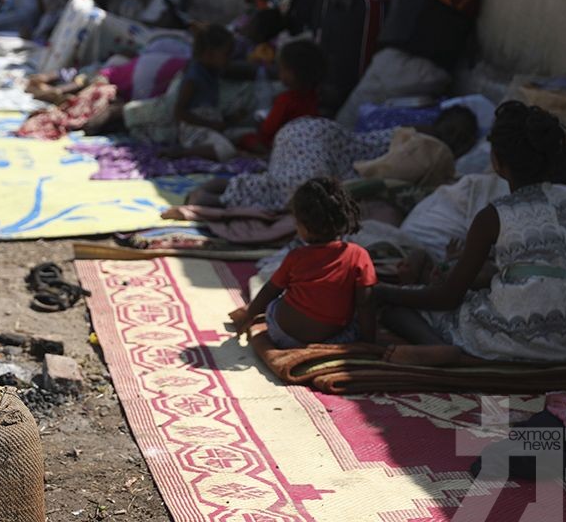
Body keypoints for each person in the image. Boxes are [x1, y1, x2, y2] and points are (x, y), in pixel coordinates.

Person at [374, 102, 566, 363]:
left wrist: (382, 292)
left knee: (396, 310)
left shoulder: (494, 216)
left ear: (497, 162)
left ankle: (441, 350)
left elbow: (447, 297)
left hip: (515, 340)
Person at [190, 105, 479, 210]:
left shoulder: (442, 156)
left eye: (462, 139)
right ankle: (213, 200)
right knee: (307, 195)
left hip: (311, 137)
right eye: (451, 130)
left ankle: (215, 189)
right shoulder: (425, 141)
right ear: (439, 122)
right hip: (316, 138)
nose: (453, 140)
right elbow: (388, 174)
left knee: (281, 186)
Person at [230, 178, 377, 348]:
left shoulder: (296, 256)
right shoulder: (359, 255)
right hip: (331, 341)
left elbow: (270, 290)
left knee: (274, 303)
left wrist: (248, 315)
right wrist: (369, 343)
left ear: (305, 227)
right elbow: (366, 303)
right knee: (355, 319)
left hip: (282, 335)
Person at [236, 39, 326, 155]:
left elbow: (268, 130)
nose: (280, 73)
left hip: (282, 144)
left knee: (246, 138)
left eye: (282, 69)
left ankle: (268, 154)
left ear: (292, 73)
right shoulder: (314, 96)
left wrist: (261, 124)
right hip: (307, 144)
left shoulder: (285, 99)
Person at [172, 24, 241, 162]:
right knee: (225, 150)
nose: (229, 60)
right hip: (194, 129)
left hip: (211, 125)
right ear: (209, 53)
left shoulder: (212, 72)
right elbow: (179, 112)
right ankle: (182, 153)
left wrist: (229, 119)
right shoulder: (193, 77)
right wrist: (211, 125)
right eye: (226, 54)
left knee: (244, 134)